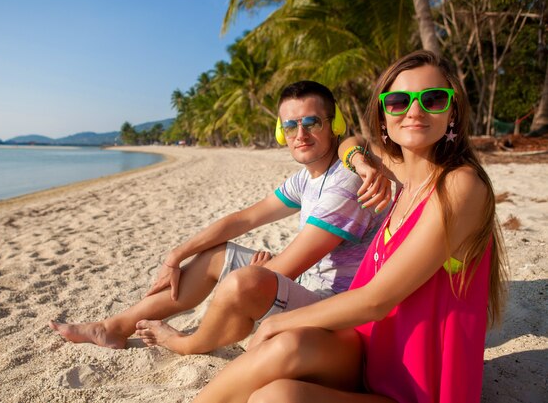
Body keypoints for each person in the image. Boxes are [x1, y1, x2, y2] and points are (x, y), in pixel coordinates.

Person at [191, 50, 508, 403]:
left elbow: (377, 300)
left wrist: (278, 321)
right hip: (370, 350)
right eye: (399, 101)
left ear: (452, 112)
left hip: (414, 385)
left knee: (276, 396)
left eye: (433, 99)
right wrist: (362, 162)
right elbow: (352, 141)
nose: (415, 111)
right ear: (384, 116)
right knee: (285, 350)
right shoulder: (401, 172)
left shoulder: (460, 185)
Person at [49, 80, 389, 355]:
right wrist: (176, 255)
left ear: (334, 126)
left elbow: (289, 267)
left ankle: (185, 343)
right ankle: (112, 329)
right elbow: (243, 219)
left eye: (311, 122)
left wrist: (262, 274)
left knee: (244, 281)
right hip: (307, 288)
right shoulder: (309, 177)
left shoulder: (346, 181)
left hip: (332, 309)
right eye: (290, 125)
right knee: (216, 255)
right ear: (280, 132)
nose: (300, 134)